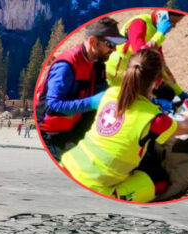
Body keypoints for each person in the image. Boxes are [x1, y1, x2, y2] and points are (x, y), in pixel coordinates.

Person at [60, 49, 188, 203]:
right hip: (94, 188)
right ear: (158, 82)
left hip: (68, 165)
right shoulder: (154, 119)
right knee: (159, 179)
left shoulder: (110, 94)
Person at [36, 17, 125, 159]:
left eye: (116, 44)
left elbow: (103, 92)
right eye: (110, 44)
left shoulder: (98, 64)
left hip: (76, 128)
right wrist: (92, 102)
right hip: (53, 134)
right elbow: (52, 106)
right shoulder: (66, 66)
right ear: (93, 42)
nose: (114, 49)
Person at [106, 10, 188, 104]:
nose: (174, 26)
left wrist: (180, 93)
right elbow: (140, 54)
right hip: (117, 73)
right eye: (172, 22)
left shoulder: (154, 30)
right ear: (162, 15)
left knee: (168, 93)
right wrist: (160, 34)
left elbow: (161, 65)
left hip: (133, 72)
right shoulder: (139, 23)